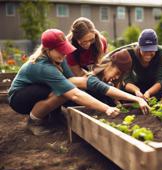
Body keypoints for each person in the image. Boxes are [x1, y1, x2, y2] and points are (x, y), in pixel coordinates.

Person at [8, 29, 149, 136]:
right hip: (19, 98)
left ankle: (49, 116)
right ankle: (34, 121)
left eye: (65, 50)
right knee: (64, 93)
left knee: (69, 86)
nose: (64, 54)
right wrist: (106, 108)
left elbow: (81, 82)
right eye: (61, 51)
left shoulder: (58, 59)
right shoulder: (43, 66)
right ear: (48, 49)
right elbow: (75, 94)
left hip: (37, 90)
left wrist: (134, 98)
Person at [123, 29, 162, 100]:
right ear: (139, 47)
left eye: (151, 50)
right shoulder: (129, 53)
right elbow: (126, 80)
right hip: (135, 85)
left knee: (157, 100)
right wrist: (136, 91)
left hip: (153, 86)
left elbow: (161, 80)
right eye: (145, 50)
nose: (148, 53)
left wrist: (148, 93)